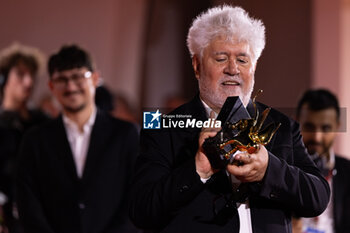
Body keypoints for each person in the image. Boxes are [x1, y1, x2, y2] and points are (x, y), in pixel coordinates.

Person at [129, 5, 330, 233]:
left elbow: (318, 197)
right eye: (221, 58)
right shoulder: (161, 126)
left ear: (254, 67)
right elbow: (141, 211)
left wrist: (269, 171)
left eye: (243, 60)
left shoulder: (281, 125)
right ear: (197, 66)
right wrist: (197, 171)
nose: (233, 69)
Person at [16, 45, 139, 233]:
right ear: (51, 86)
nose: (70, 86)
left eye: (78, 77)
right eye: (62, 79)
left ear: (96, 79)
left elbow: (137, 197)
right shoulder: (35, 140)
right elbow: (28, 203)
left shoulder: (126, 134)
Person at [0, 44, 48, 233]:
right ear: (3, 78)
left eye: (32, 75)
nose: (28, 82)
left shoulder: (44, 123)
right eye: (20, 74)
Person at [294, 89, 350, 233]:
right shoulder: (280, 170)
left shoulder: (348, 172)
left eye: (325, 128)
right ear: (296, 123)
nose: (317, 137)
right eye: (309, 127)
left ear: (337, 126)